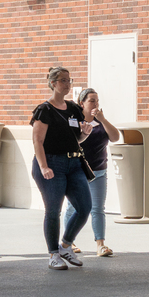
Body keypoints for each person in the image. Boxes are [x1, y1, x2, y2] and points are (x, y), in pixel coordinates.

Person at [30, 66, 92, 270]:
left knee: (84, 207)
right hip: (51, 163)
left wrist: (85, 133)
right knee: (53, 210)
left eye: (69, 80)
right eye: (63, 80)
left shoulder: (73, 108)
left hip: (74, 163)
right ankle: (53, 254)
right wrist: (44, 166)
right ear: (53, 83)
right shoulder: (45, 110)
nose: (67, 84)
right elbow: (37, 141)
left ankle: (65, 245)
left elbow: (77, 138)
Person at [64, 88, 120, 257]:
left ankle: (100, 245)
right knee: (73, 207)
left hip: (99, 172)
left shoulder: (100, 122)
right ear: (82, 103)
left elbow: (115, 137)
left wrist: (102, 119)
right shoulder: (75, 121)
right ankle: (69, 241)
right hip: (78, 172)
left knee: (97, 209)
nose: (95, 104)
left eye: (97, 100)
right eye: (91, 101)